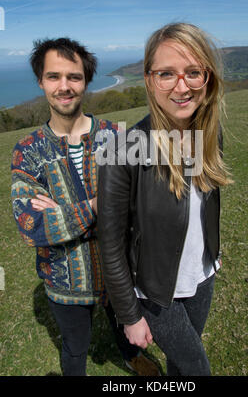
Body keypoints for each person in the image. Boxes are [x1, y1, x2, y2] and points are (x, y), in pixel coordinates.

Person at [11, 37, 160, 376]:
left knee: (126, 329)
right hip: (65, 284)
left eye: (74, 77)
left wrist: (62, 212)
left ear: (86, 81)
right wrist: (100, 204)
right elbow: (31, 226)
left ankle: (132, 357)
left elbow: (142, 201)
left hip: (118, 273)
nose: (64, 87)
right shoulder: (27, 150)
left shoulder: (115, 137)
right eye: (53, 76)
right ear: (41, 81)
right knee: (75, 347)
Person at [97, 22, 233, 376]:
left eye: (193, 72)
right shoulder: (121, 153)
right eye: (166, 74)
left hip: (201, 277)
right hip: (155, 293)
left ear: (208, 77)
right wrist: (129, 316)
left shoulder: (209, 135)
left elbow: (205, 205)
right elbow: (111, 246)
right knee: (196, 369)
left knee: (180, 364)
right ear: (148, 79)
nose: (181, 86)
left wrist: (213, 255)